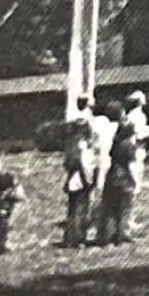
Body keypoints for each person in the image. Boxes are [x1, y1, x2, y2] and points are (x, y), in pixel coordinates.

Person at [95, 90, 149, 245]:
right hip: (125, 179)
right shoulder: (129, 146)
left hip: (112, 177)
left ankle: (106, 235)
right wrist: (135, 182)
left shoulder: (116, 143)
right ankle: (122, 234)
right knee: (125, 207)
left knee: (110, 208)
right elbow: (132, 165)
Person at [60, 101, 106, 247]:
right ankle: (76, 238)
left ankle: (71, 237)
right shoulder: (82, 146)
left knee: (74, 209)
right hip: (80, 179)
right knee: (80, 209)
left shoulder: (72, 144)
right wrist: (89, 180)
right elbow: (84, 165)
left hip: (74, 179)